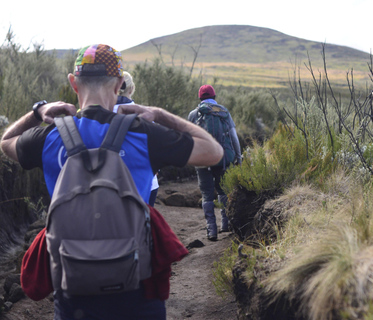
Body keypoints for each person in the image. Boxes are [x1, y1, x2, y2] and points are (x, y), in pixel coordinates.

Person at [0, 44, 223, 320]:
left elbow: (6, 141)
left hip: (73, 290)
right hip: (137, 289)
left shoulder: (48, 139)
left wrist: (39, 111)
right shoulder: (143, 134)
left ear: (73, 83)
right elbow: (213, 152)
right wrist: (159, 114)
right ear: (119, 84)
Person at [188, 85, 242, 241]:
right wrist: (238, 156)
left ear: (200, 98)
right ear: (214, 96)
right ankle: (225, 224)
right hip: (222, 158)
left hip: (202, 160)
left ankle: (211, 230)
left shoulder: (194, 114)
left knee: (206, 194)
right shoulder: (223, 112)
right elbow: (233, 136)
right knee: (223, 190)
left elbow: (188, 138)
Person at [114, 71, 159, 206]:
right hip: (146, 183)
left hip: (109, 184)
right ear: (132, 89)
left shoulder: (99, 114)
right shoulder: (146, 114)